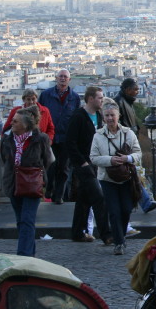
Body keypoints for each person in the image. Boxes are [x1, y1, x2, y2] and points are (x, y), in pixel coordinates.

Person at [90, 99, 142, 255]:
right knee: (113, 210)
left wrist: (127, 159)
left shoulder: (128, 133)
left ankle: (121, 235)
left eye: (112, 115)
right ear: (103, 117)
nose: (110, 118)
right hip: (107, 178)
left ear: (118, 116)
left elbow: (138, 153)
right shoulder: (98, 136)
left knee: (126, 209)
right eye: (106, 115)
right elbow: (93, 157)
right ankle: (119, 242)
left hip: (126, 177)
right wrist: (110, 160)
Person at [0, 106, 54, 257]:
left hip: (32, 184)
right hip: (13, 184)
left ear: (25, 125)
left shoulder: (40, 139)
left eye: (15, 121)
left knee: (27, 220)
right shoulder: (7, 139)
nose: (12, 123)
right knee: (21, 222)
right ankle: (30, 255)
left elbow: (48, 160)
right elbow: (4, 159)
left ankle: (23, 256)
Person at [66, 86, 112, 244]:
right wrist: (82, 162)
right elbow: (70, 142)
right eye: (99, 97)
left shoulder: (98, 116)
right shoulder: (78, 116)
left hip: (94, 162)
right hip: (84, 164)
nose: (102, 100)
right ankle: (106, 234)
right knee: (99, 197)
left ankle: (78, 232)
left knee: (84, 199)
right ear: (90, 98)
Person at [114, 78, 156, 217]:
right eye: (135, 89)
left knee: (131, 175)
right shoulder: (120, 102)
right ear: (127, 89)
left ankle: (144, 202)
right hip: (123, 146)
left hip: (127, 144)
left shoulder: (125, 101)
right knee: (131, 174)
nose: (137, 92)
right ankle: (144, 202)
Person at [39, 69, 81, 204]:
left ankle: (58, 196)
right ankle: (50, 190)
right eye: (61, 76)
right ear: (56, 78)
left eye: (65, 77)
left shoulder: (74, 97)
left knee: (64, 168)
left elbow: (76, 119)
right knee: (50, 166)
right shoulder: (45, 95)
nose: (63, 79)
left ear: (69, 80)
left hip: (65, 138)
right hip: (49, 137)